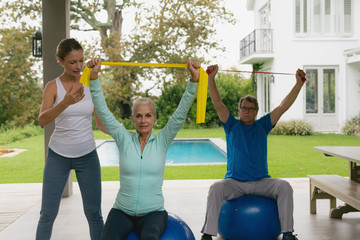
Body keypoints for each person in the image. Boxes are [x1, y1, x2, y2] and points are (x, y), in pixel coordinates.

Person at [86, 57, 201, 240]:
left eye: (148, 115)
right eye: (138, 116)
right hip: (122, 211)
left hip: (153, 213)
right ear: (133, 119)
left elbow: (180, 113)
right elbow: (103, 111)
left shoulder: (163, 140)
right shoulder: (124, 138)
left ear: (154, 118)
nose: (143, 120)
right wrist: (94, 78)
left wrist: (194, 81)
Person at [200, 65, 306, 240]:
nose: (246, 111)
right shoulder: (231, 125)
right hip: (234, 183)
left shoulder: (263, 125)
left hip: (261, 182)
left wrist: (298, 84)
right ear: (239, 109)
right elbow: (218, 104)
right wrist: (211, 78)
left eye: (250, 109)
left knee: (284, 186)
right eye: (243, 108)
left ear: (256, 112)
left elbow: (283, 106)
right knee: (215, 188)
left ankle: (288, 233)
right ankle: (207, 234)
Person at [36, 38, 107, 240]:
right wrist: (65, 103)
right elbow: (42, 120)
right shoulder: (53, 87)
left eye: (81, 60)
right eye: (72, 62)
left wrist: (127, 135)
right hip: (58, 155)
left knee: (94, 214)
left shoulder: (91, 85)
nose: (78, 66)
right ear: (61, 61)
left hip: (87, 155)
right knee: (47, 214)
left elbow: (101, 124)